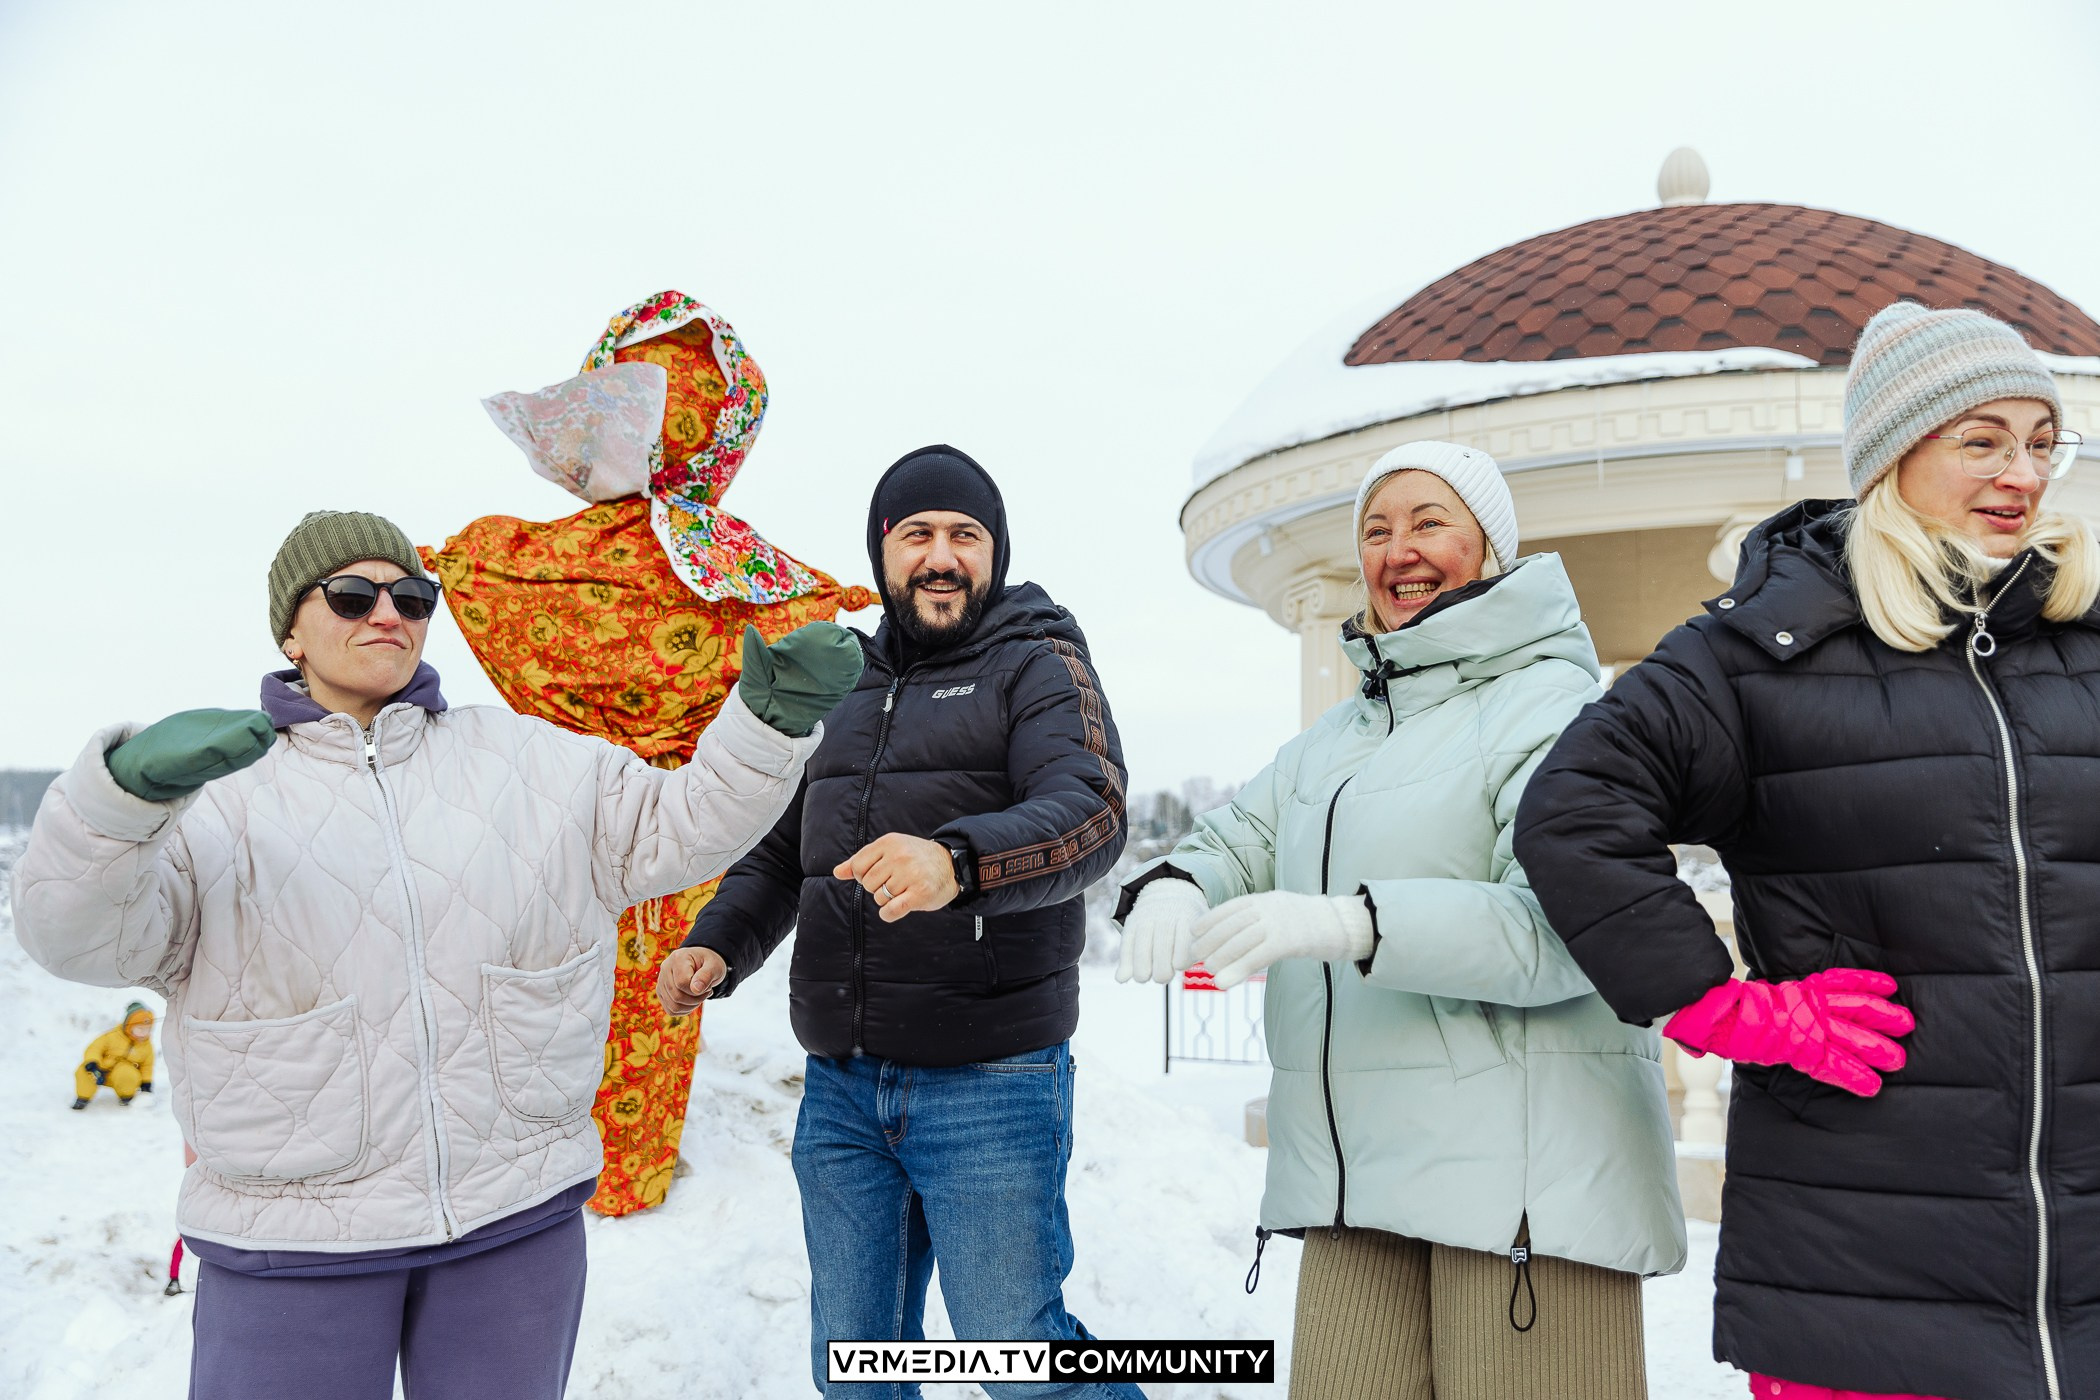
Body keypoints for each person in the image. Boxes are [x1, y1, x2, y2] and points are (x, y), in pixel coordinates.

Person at [10, 508, 862, 1400]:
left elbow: (677, 827)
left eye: (412, 596)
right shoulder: (216, 799)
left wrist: (768, 722)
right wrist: (118, 806)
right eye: (352, 594)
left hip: (513, 1219)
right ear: (290, 630)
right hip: (294, 1240)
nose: (388, 613)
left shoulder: (526, 759)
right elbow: (74, 938)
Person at [1512, 301, 2097, 1400]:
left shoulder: (2086, 642)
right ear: (1891, 452)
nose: (2021, 470)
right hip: (1862, 1270)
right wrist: (1726, 1007)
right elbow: (1574, 810)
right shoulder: (1757, 653)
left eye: (2039, 439)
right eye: (1980, 438)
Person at [1117, 440, 1683, 1400]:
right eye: (1377, 530)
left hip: (1524, 1196)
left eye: (1430, 523)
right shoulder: (1338, 740)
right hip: (1354, 1182)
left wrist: (1354, 925)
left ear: (1492, 548)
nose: (1399, 550)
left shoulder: (1559, 709)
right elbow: (1239, 832)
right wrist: (1177, 881)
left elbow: (1567, 929)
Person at [659, 445, 1138, 1399]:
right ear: (883, 552)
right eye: (917, 534)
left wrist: (956, 861)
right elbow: (777, 848)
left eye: (965, 535)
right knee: (855, 1360)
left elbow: (1091, 812)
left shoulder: (1036, 663)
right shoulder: (842, 681)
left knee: (1021, 1357)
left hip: (992, 1079)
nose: (942, 555)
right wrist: (718, 942)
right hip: (844, 1083)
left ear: (994, 553)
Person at [72, 1002, 155, 1109]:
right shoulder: (112, 1036)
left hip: (121, 1075)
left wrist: (146, 1083)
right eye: (140, 1029)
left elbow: (147, 1066)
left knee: (128, 1073)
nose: (144, 1033)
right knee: (84, 1072)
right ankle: (83, 1098)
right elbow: (94, 1048)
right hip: (99, 1070)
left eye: (147, 1030)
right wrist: (92, 1063)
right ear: (129, 1026)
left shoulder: (146, 1046)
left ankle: (126, 1096)